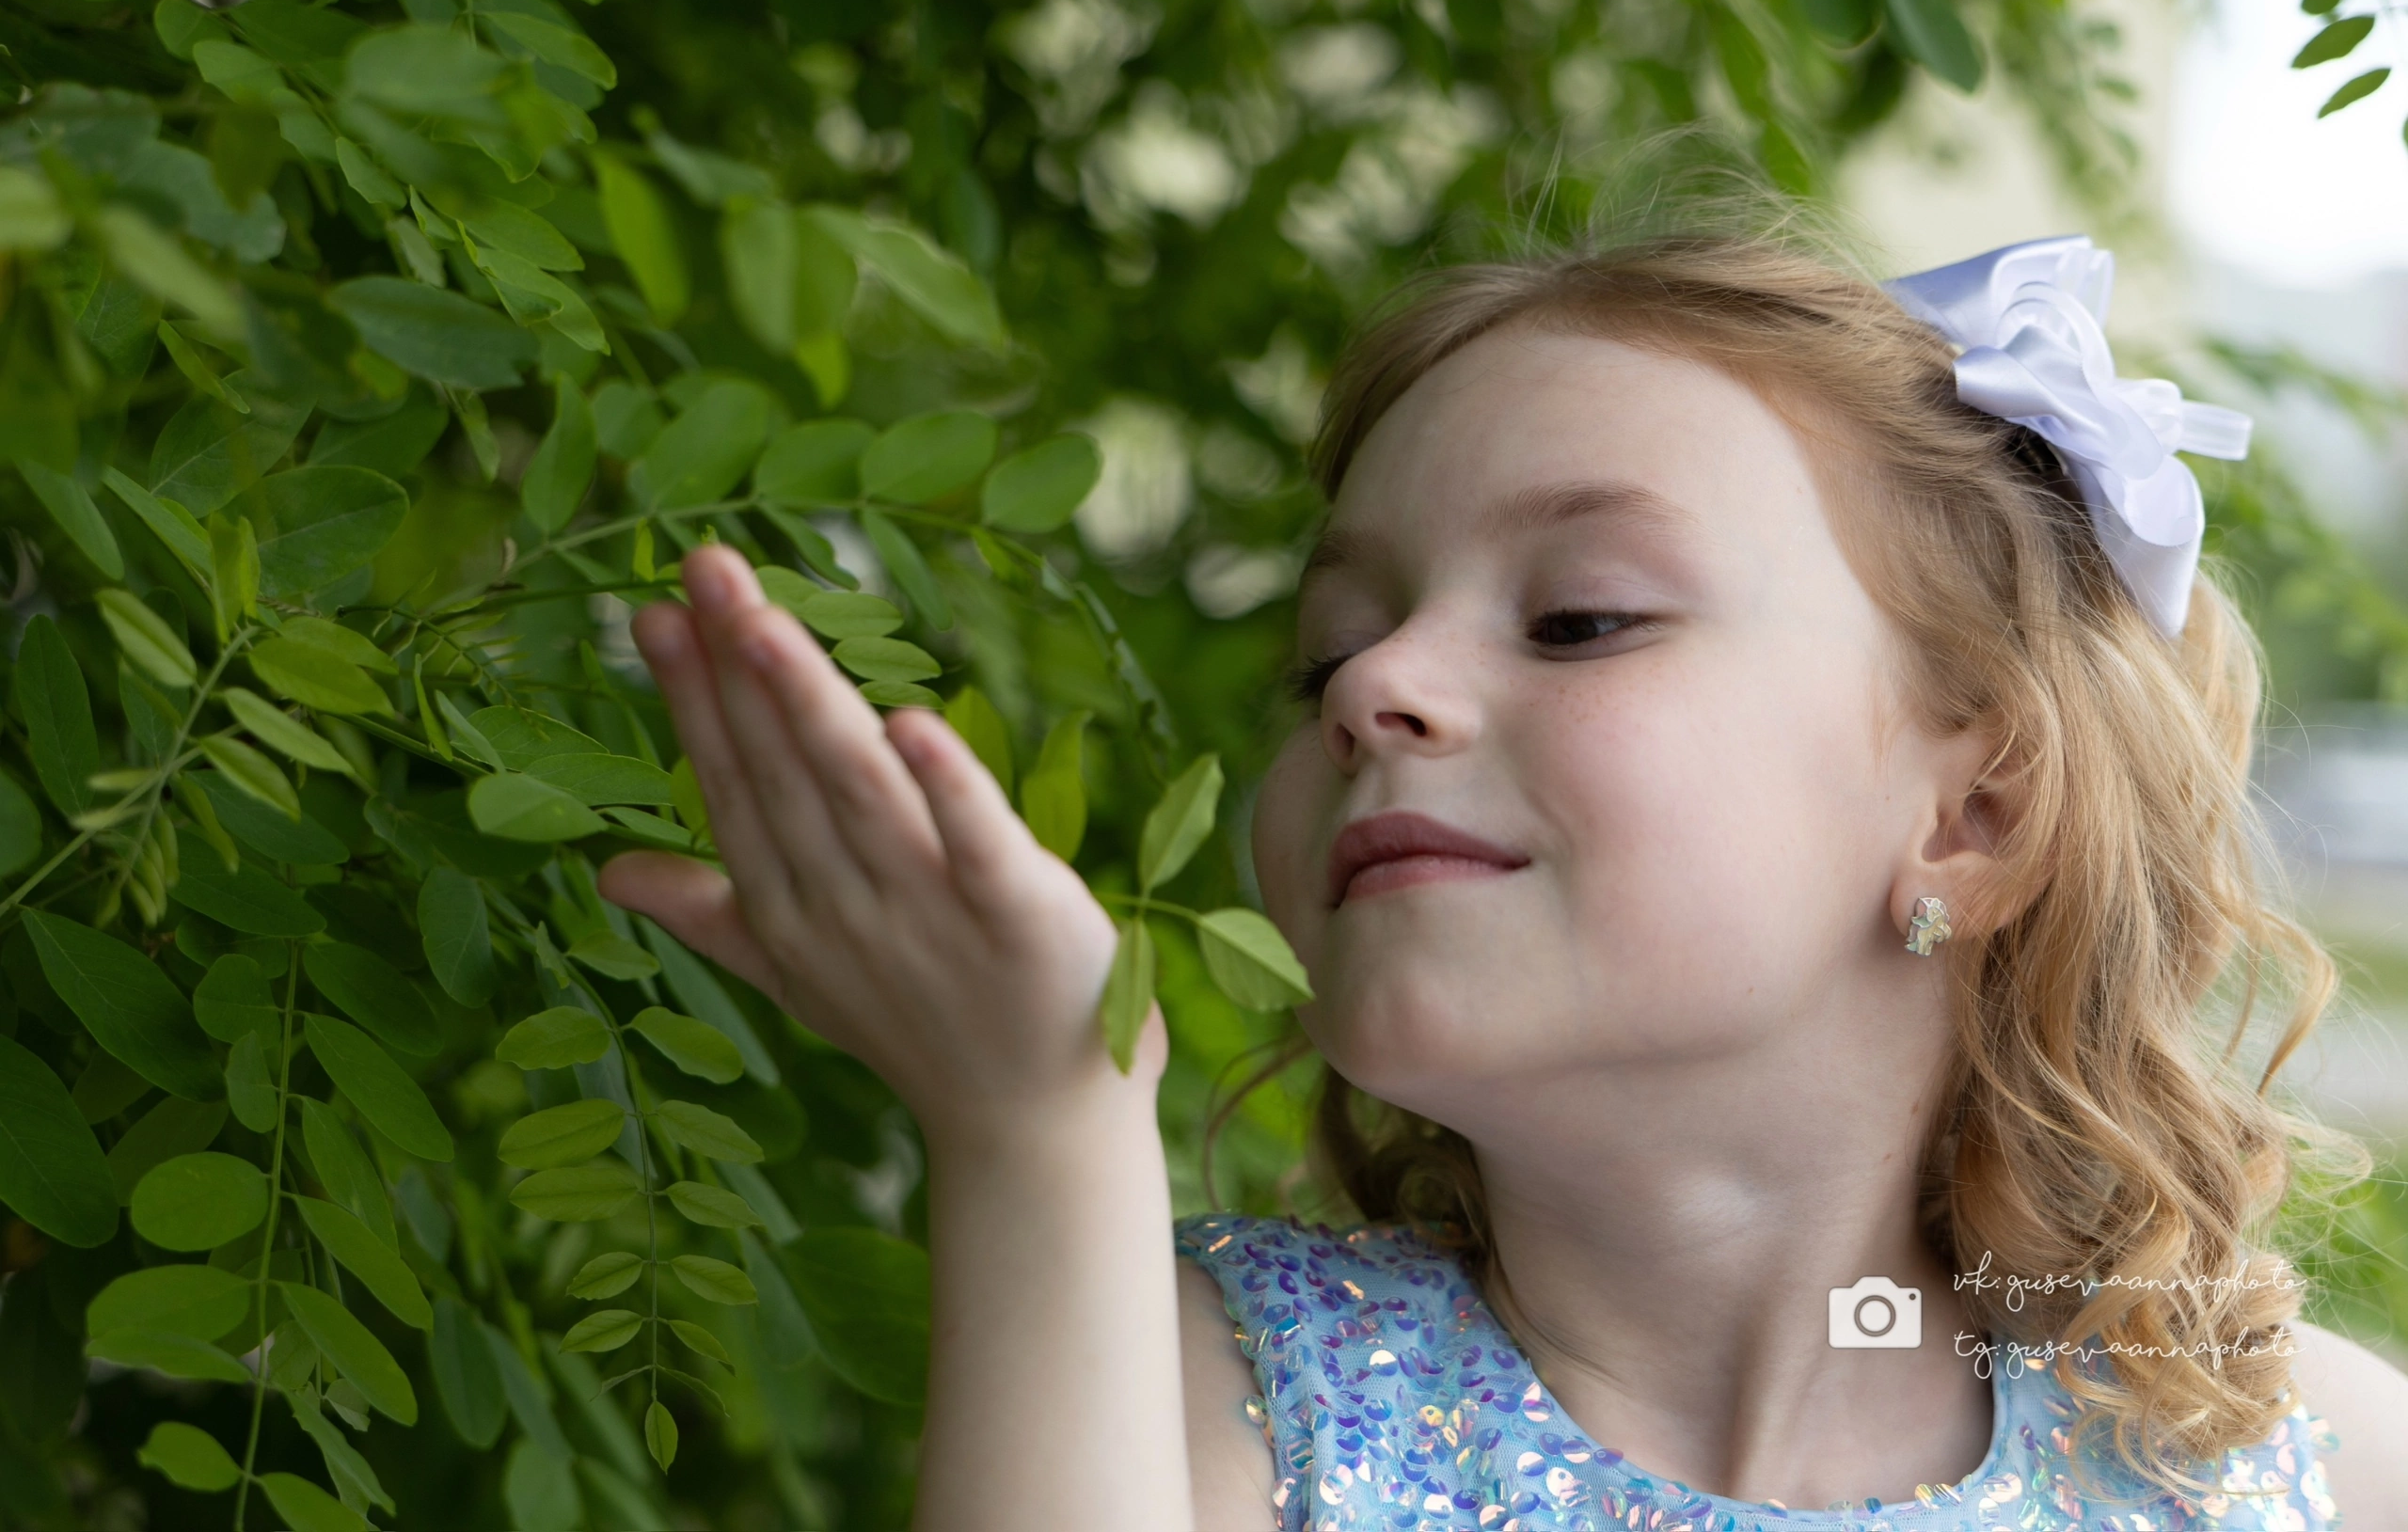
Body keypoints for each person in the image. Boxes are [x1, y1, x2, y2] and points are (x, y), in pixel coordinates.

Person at [597, 231, 2408, 1531]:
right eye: (1327, 655)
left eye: (1578, 617)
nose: (1376, 687)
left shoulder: (2298, 1461)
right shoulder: (1209, 1398)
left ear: (1979, 814)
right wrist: (1035, 1130)